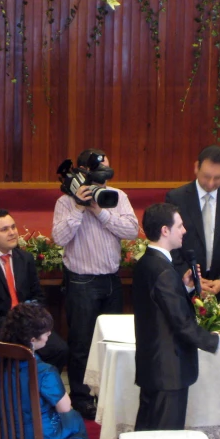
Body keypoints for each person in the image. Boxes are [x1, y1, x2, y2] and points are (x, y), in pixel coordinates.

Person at [52, 148, 139, 419]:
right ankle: (81, 397)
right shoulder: (65, 202)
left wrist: (99, 211)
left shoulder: (118, 196)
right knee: (81, 343)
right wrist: (79, 207)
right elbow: (59, 238)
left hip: (111, 280)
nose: (103, 179)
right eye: (98, 173)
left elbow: (132, 230)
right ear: (82, 172)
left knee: (111, 341)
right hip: (81, 282)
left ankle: (108, 393)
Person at [133, 203, 220, 431]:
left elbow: (158, 305)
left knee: (147, 435)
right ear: (165, 230)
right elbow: (181, 323)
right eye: (180, 225)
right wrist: (216, 341)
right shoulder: (164, 270)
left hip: (153, 366)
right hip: (168, 371)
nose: (184, 231)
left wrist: (183, 287)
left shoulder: (147, 262)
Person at [0, 209, 68, 370]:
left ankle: (38, 393)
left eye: (13, 227)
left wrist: (29, 323)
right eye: (4, 230)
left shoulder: (25, 259)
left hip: (28, 326)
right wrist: (14, 328)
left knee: (59, 350)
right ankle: (1, 396)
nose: (12, 233)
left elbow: (38, 296)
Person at [0, 303, 94, 439]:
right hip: (34, 438)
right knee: (74, 418)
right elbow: (65, 408)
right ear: (32, 340)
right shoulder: (44, 371)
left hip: (2, 433)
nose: (49, 335)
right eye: (46, 333)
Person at [165, 145, 220, 296]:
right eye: (206, 176)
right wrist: (186, 274)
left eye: (217, 178)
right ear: (196, 167)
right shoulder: (176, 198)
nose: (210, 183)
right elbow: (168, 243)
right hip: (186, 287)